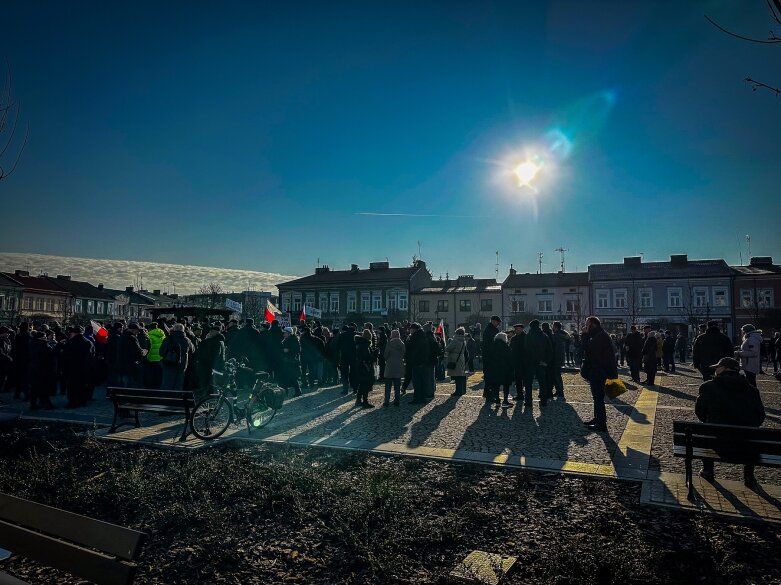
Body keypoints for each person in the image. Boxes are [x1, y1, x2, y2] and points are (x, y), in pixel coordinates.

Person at [695, 357, 765, 488]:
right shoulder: (752, 390)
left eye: (718, 367)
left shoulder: (707, 387)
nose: (715, 369)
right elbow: (760, 416)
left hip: (716, 443)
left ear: (724, 369)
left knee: (706, 430)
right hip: (747, 445)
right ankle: (749, 475)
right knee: (750, 434)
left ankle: (708, 470)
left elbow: (700, 413)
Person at [581, 316, 617, 433]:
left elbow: (588, 350)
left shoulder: (600, 336)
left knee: (599, 397)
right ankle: (597, 419)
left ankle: (601, 424)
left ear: (593, 324)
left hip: (599, 371)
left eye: (587, 324)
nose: (585, 326)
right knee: (596, 397)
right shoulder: (599, 335)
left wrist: (584, 335)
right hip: (598, 370)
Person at [62, 325, 95, 408]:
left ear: (73, 333)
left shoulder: (71, 342)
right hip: (84, 367)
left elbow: (65, 355)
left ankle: (72, 402)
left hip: (72, 368)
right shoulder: (88, 342)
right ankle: (82, 401)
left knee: (72, 386)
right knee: (82, 385)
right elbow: (92, 354)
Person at [522, 320, 552, 407]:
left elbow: (525, 350)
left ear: (531, 327)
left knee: (528, 383)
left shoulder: (528, 336)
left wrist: (526, 362)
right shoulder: (544, 336)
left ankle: (528, 401)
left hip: (530, 363)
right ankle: (543, 401)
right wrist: (546, 361)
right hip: (541, 363)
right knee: (542, 382)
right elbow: (549, 350)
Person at [194, 323, 226, 399]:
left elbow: (200, 353)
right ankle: (211, 397)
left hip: (206, 365)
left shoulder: (208, 342)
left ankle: (205, 398)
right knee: (213, 383)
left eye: (211, 331)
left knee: (205, 382)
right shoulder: (221, 341)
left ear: (212, 332)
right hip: (216, 366)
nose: (209, 333)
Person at [159, 323, 195, 391]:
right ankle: (176, 400)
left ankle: (165, 400)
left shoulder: (168, 338)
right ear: (183, 330)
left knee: (167, 385)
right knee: (178, 385)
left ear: (173, 329)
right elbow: (193, 350)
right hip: (182, 365)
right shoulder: (187, 340)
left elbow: (161, 352)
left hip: (169, 364)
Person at [28, 330, 56, 410]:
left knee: (35, 388)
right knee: (44, 388)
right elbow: (50, 354)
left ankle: (34, 404)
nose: (46, 338)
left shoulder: (31, 344)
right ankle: (46, 404)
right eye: (44, 337)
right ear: (41, 338)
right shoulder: (44, 345)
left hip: (33, 369)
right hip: (43, 369)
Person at [484, 331, 513, 406]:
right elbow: (510, 358)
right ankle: (505, 401)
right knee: (506, 385)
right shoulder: (506, 347)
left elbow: (488, 358)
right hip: (505, 369)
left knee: (496, 385)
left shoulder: (492, 346)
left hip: (494, 369)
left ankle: (497, 400)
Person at [406, 323, 430, 404]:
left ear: (414, 329)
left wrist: (408, 342)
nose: (410, 330)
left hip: (416, 362)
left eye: (411, 329)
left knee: (417, 382)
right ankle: (422, 398)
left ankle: (417, 398)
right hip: (422, 362)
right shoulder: (423, 336)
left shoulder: (415, 337)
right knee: (422, 381)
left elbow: (412, 350)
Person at [353, 329, 377, 408]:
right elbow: (367, 357)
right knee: (365, 385)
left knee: (362, 385)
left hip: (359, 367)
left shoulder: (359, 343)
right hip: (365, 367)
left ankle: (358, 400)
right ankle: (365, 402)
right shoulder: (365, 345)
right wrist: (375, 354)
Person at [116, 322, 145, 387]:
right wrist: (143, 352)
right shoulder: (132, 338)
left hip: (121, 364)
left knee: (121, 383)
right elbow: (137, 351)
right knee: (129, 384)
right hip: (129, 364)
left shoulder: (122, 336)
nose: (138, 332)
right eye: (138, 330)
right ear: (134, 330)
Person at [383, 329, 405, 406]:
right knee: (397, 386)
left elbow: (385, 355)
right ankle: (397, 401)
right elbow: (403, 354)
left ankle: (386, 401)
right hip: (398, 366)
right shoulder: (402, 344)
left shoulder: (389, 343)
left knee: (388, 386)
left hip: (389, 366)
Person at [446, 327, 468, 397]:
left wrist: (448, 343)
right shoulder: (463, 341)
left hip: (455, 359)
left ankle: (458, 391)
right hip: (461, 358)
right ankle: (461, 390)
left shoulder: (455, 340)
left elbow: (448, 348)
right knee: (460, 375)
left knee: (457, 376)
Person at [550, 322, 569, 399]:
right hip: (559, 358)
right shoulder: (562, 335)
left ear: (556, 327)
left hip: (556, 358)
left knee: (556, 375)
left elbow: (555, 348)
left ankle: (560, 391)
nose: (552, 327)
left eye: (553, 326)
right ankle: (559, 391)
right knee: (557, 375)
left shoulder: (556, 336)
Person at [144, 322, 165, 389]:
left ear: (150, 328)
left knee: (152, 375)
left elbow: (148, 347)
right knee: (159, 375)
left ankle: (152, 388)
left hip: (151, 358)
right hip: (160, 358)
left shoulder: (149, 335)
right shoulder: (163, 334)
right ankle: (159, 387)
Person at [509, 323, 525, 401]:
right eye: (516, 329)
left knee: (525, 380)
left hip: (525, 361)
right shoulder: (513, 338)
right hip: (516, 362)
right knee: (518, 380)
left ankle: (527, 396)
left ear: (522, 329)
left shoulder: (526, 337)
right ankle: (520, 395)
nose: (516, 330)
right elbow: (510, 348)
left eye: (518, 329)